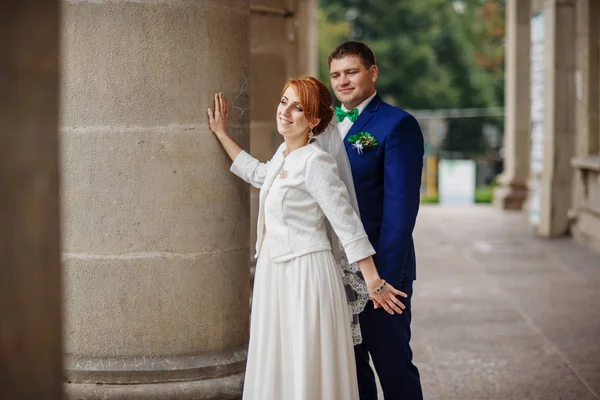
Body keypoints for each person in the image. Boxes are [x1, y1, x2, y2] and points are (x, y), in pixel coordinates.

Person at [207, 76, 407, 400]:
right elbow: (258, 174)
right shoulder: (283, 154)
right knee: (279, 361)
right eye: (284, 101)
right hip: (275, 274)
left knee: (305, 362)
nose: (285, 111)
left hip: (305, 276)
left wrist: (373, 281)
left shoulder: (316, 162)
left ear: (313, 121)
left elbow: (347, 224)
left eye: (298, 107)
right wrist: (221, 134)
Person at [327, 40, 424, 399]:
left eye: (351, 72)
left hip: (380, 273)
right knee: (351, 372)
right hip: (333, 272)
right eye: (336, 75)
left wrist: (380, 279)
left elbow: (401, 211)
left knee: (393, 366)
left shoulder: (397, 125)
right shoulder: (323, 125)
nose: (343, 81)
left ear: (372, 73)